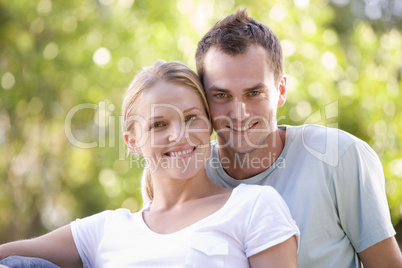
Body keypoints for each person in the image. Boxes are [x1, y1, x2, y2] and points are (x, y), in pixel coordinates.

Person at [0, 60, 299, 267]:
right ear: (132, 142)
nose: (179, 136)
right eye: (158, 125)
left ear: (208, 125)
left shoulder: (254, 206)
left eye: (192, 118)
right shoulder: (104, 230)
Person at [194, 8, 402, 268]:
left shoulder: (339, 157)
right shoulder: (190, 175)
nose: (239, 113)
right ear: (204, 99)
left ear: (281, 90)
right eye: (222, 95)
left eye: (254, 93)